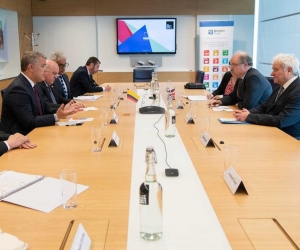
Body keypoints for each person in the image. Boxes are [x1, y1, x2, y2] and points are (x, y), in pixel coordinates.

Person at [1, 51, 83, 135]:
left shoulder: (34, 85)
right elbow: (29, 121)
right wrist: (56, 117)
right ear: (31, 67)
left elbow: (46, 106)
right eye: (43, 66)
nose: (45, 70)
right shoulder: (18, 89)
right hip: (21, 137)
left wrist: (64, 109)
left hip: (35, 131)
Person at [234, 53, 300, 140]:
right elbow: (264, 107)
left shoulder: (298, 91)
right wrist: (247, 113)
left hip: (290, 139)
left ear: (289, 70)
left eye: (276, 70)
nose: (271, 74)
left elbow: (282, 120)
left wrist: (249, 117)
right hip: (273, 133)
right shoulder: (280, 88)